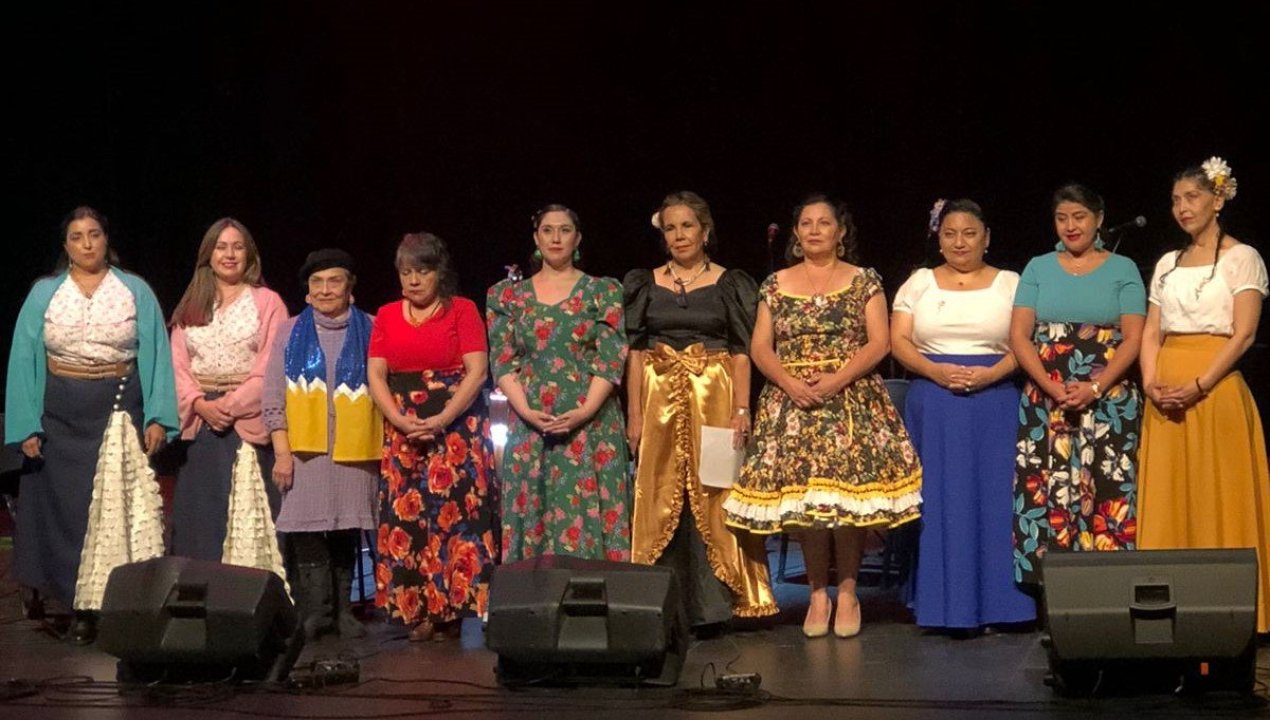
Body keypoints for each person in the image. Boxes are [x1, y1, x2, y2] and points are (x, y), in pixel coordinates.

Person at [724, 193, 922, 639]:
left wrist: (835, 380)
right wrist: (789, 383)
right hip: (792, 403)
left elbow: (879, 342)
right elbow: (760, 346)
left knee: (845, 506)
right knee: (808, 508)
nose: (814, 230)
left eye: (824, 223)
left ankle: (847, 593)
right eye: (806, 223)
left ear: (841, 231)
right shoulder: (775, 284)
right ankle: (817, 595)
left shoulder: (863, 280)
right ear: (796, 233)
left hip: (849, 400)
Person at [4, 206, 178, 643]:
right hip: (59, 415)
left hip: (117, 410)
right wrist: (26, 425)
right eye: (77, 236)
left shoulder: (134, 290)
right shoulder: (45, 293)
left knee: (112, 511)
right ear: (66, 246)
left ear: (106, 239)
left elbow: (158, 353)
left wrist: (158, 416)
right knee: (67, 513)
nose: (87, 243)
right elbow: (22, 359)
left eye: (94, 234)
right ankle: (76, 603)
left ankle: (115, 604)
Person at [624, 192, 778, 630]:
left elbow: (742, 351)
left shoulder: (730, 283)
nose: (679, 235)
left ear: (705, 231)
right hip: (658, 398)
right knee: (658, 492)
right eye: (671, 228)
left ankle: (719, 604)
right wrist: (634, 413)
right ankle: (659, 604)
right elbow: (635, 352)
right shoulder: (643, 283)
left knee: (716, 489)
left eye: (687, 226)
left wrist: (742, 409)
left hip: (714, 395)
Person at [1137, 157, 1270, 634]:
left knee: (1221, 494)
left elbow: (1244, 333)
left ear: (1217, 199)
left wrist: (1199, 384)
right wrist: (1150, 382)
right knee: (1171, 496)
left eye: (1192, 197)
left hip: (1215, 391)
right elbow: (1151, 331)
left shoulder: (1242, 257)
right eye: (1176, 200)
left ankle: (1230, 610)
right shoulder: (1167, 264)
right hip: (1165, 394)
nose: (1182, 208)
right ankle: (1167, 610)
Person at [891, 198, 1035, 631]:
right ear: (939, 238)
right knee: (940, 503)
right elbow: (898, 341)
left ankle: (1004, 606)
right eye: (950, 233)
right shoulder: (919, 283)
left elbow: (1025, 342)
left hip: (996, 401)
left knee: (996, 503)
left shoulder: (1011, 283)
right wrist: (934, 370)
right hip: (934, 402)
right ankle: (943, 605)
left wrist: (991, 374)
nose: (960, 242)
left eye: (969, 233)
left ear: (986, 238)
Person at [1010, 185, 1145, 586]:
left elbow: (1133, 338)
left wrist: (1096, 387)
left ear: (1099, 219)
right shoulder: (1038, 268)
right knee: (1048, 492)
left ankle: (1108, 591)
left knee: (1108, 491)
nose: (1071, 226)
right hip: (1046, 400)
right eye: (1062, 218)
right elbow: (1019, 336)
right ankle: (1053, 595)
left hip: (1108, 402)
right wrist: (1051, 387)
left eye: (1080, 217)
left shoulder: (1123, 269)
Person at [368, 232, 498, 641]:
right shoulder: (387, 315)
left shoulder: (462, 310)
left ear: (438, 273)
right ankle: (418, 610)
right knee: (409, 519)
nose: (413, 280)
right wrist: (398, 419)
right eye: (406, 272)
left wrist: (443, 417)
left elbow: (477, 371)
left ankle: (453, 610)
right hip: (404, 431)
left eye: (422, 271)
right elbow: (376, 374)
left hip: (456, 429)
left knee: (454, 519)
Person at [487, 205, 631, 562]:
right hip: (531, 423)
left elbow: (611, 357)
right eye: (547, 230)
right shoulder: (508, 297)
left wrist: (584, 411)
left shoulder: (602, 291)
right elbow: (503, 360)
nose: (555, 238)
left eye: (564, 230)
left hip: (592, 424)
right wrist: (526, 412)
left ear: (577, 239)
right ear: (536, 239)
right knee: (533, 515)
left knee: (590, 515)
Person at [263, 249, 381, 639]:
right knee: (308, 530)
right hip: (304, 452)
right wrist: (282, 452)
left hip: (355, 448)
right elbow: (274, 395)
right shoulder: (289, 331)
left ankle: (344, 611)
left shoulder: (372, 328)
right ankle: (318, 612)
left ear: (350, 287)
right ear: (307, 290)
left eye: (334, 281)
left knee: (346, 527)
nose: (325, 289)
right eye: (317, 282)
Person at [169, 218, 288, 574]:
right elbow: (177, 365)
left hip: (248, 421)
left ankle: (253, 593)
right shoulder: (193, 303)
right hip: (202, 423)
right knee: (203, 520)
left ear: (249, 254)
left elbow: (272, 364)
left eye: (237, 247)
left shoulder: (267, 302)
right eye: (221, 247)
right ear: (209, 254)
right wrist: (200, 404)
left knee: (249, 514)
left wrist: (230, 406)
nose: (230, 254)